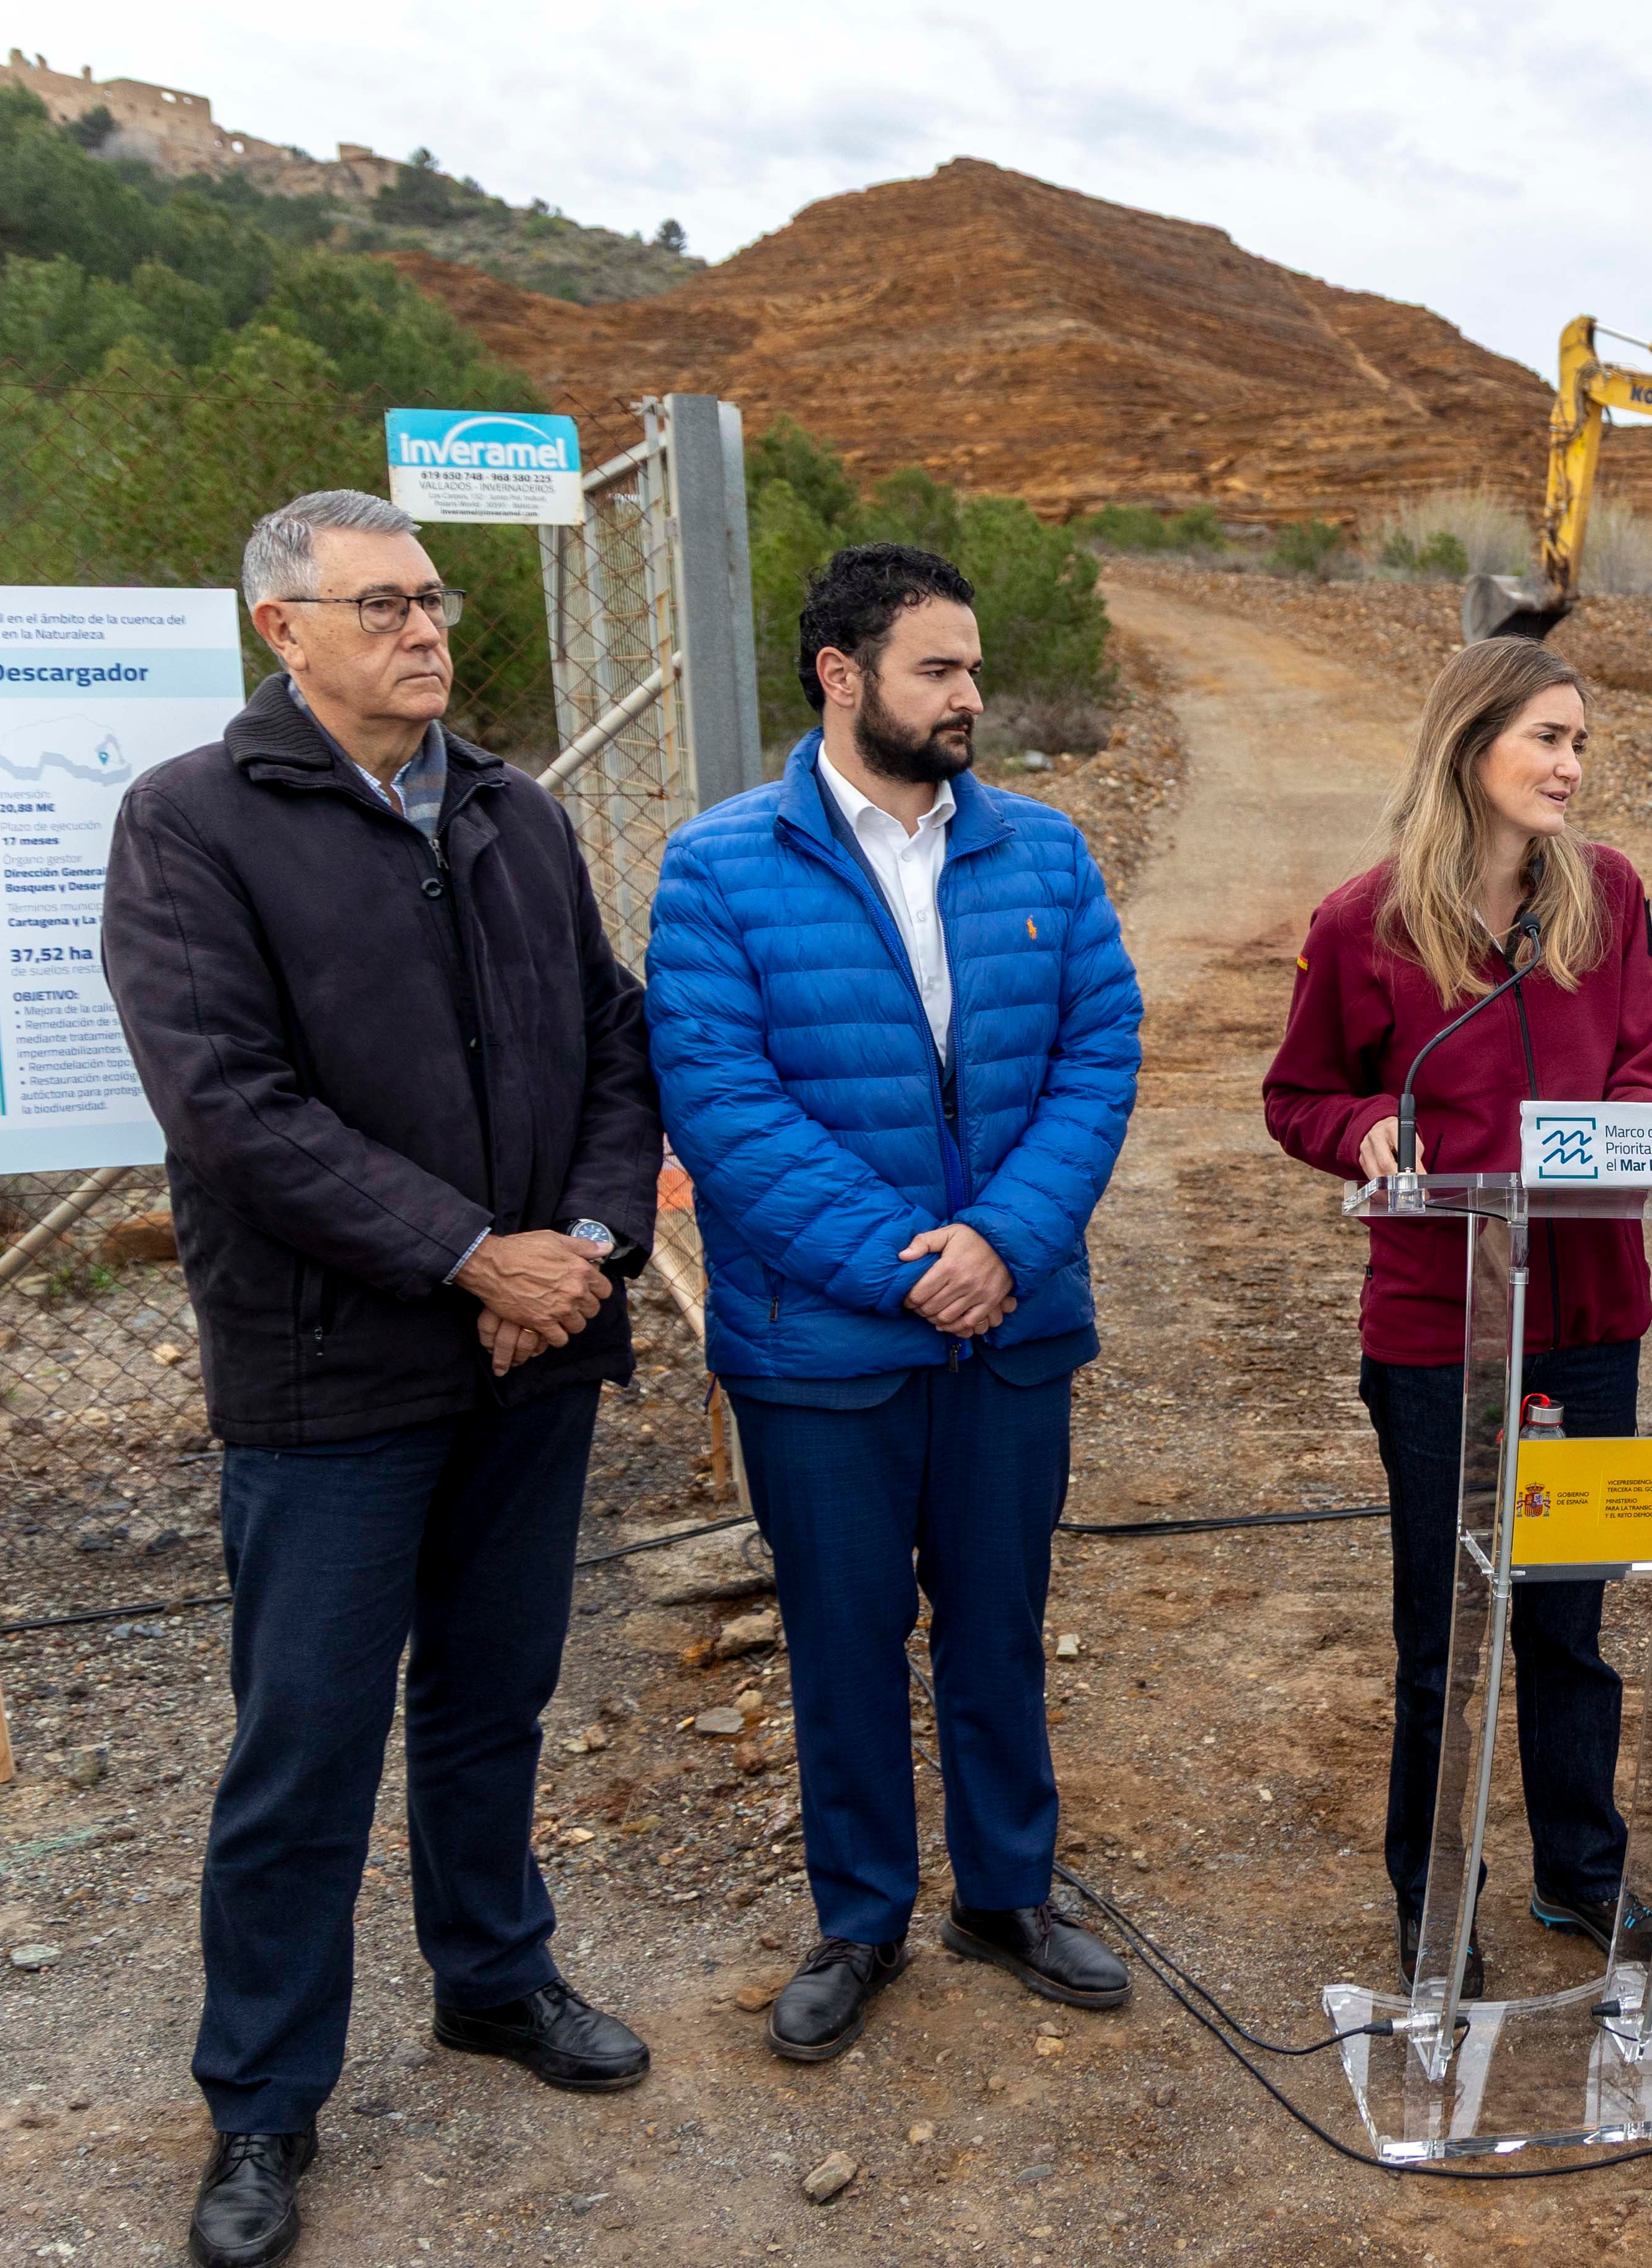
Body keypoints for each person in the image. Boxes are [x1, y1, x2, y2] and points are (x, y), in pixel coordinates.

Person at [99, 491, 664, 2268]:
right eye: (384, 606)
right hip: (334, 1373)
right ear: (284, 630)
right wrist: (466, 1256)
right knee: (308, 1746)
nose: (427, 630)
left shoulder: (513, 811)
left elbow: (612, 1040)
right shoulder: (191, 824)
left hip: (534, 1350)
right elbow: (232, 1108)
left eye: (435, 599)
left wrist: (573, 1246)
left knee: (494, 1702)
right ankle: (261, 2103)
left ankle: (492, 1980)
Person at [647, 545, 1145, 2058]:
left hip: (1009, 1328)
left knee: (998, 1621)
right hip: (823, 1347)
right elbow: (721, 1102)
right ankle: (858, 1918)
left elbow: (1099, 1053)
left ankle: (1005, 1893)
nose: (969, 695)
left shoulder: (1044, 855)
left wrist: (1002, 1238)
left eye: (973, 667)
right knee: (843, 1637)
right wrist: (908, 1263)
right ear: (840, 677)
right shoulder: (718, 866)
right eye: (938, 668)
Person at [1264, 636, 1652, 1990]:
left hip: (1594, 1319)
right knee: (1448, 1632)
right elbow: (1300, 1097)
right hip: (1441, 1335)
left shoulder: (1610, 897)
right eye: (1548, 740)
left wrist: (1623, 1134)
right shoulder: (1364, 923)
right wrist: (1368, 1138)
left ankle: (1585, 1877)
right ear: (1472, 749)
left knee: (1570, 1616)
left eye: (1581, 744)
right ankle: (1435, 1896)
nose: (1573, 766)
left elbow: (1650, 1069)